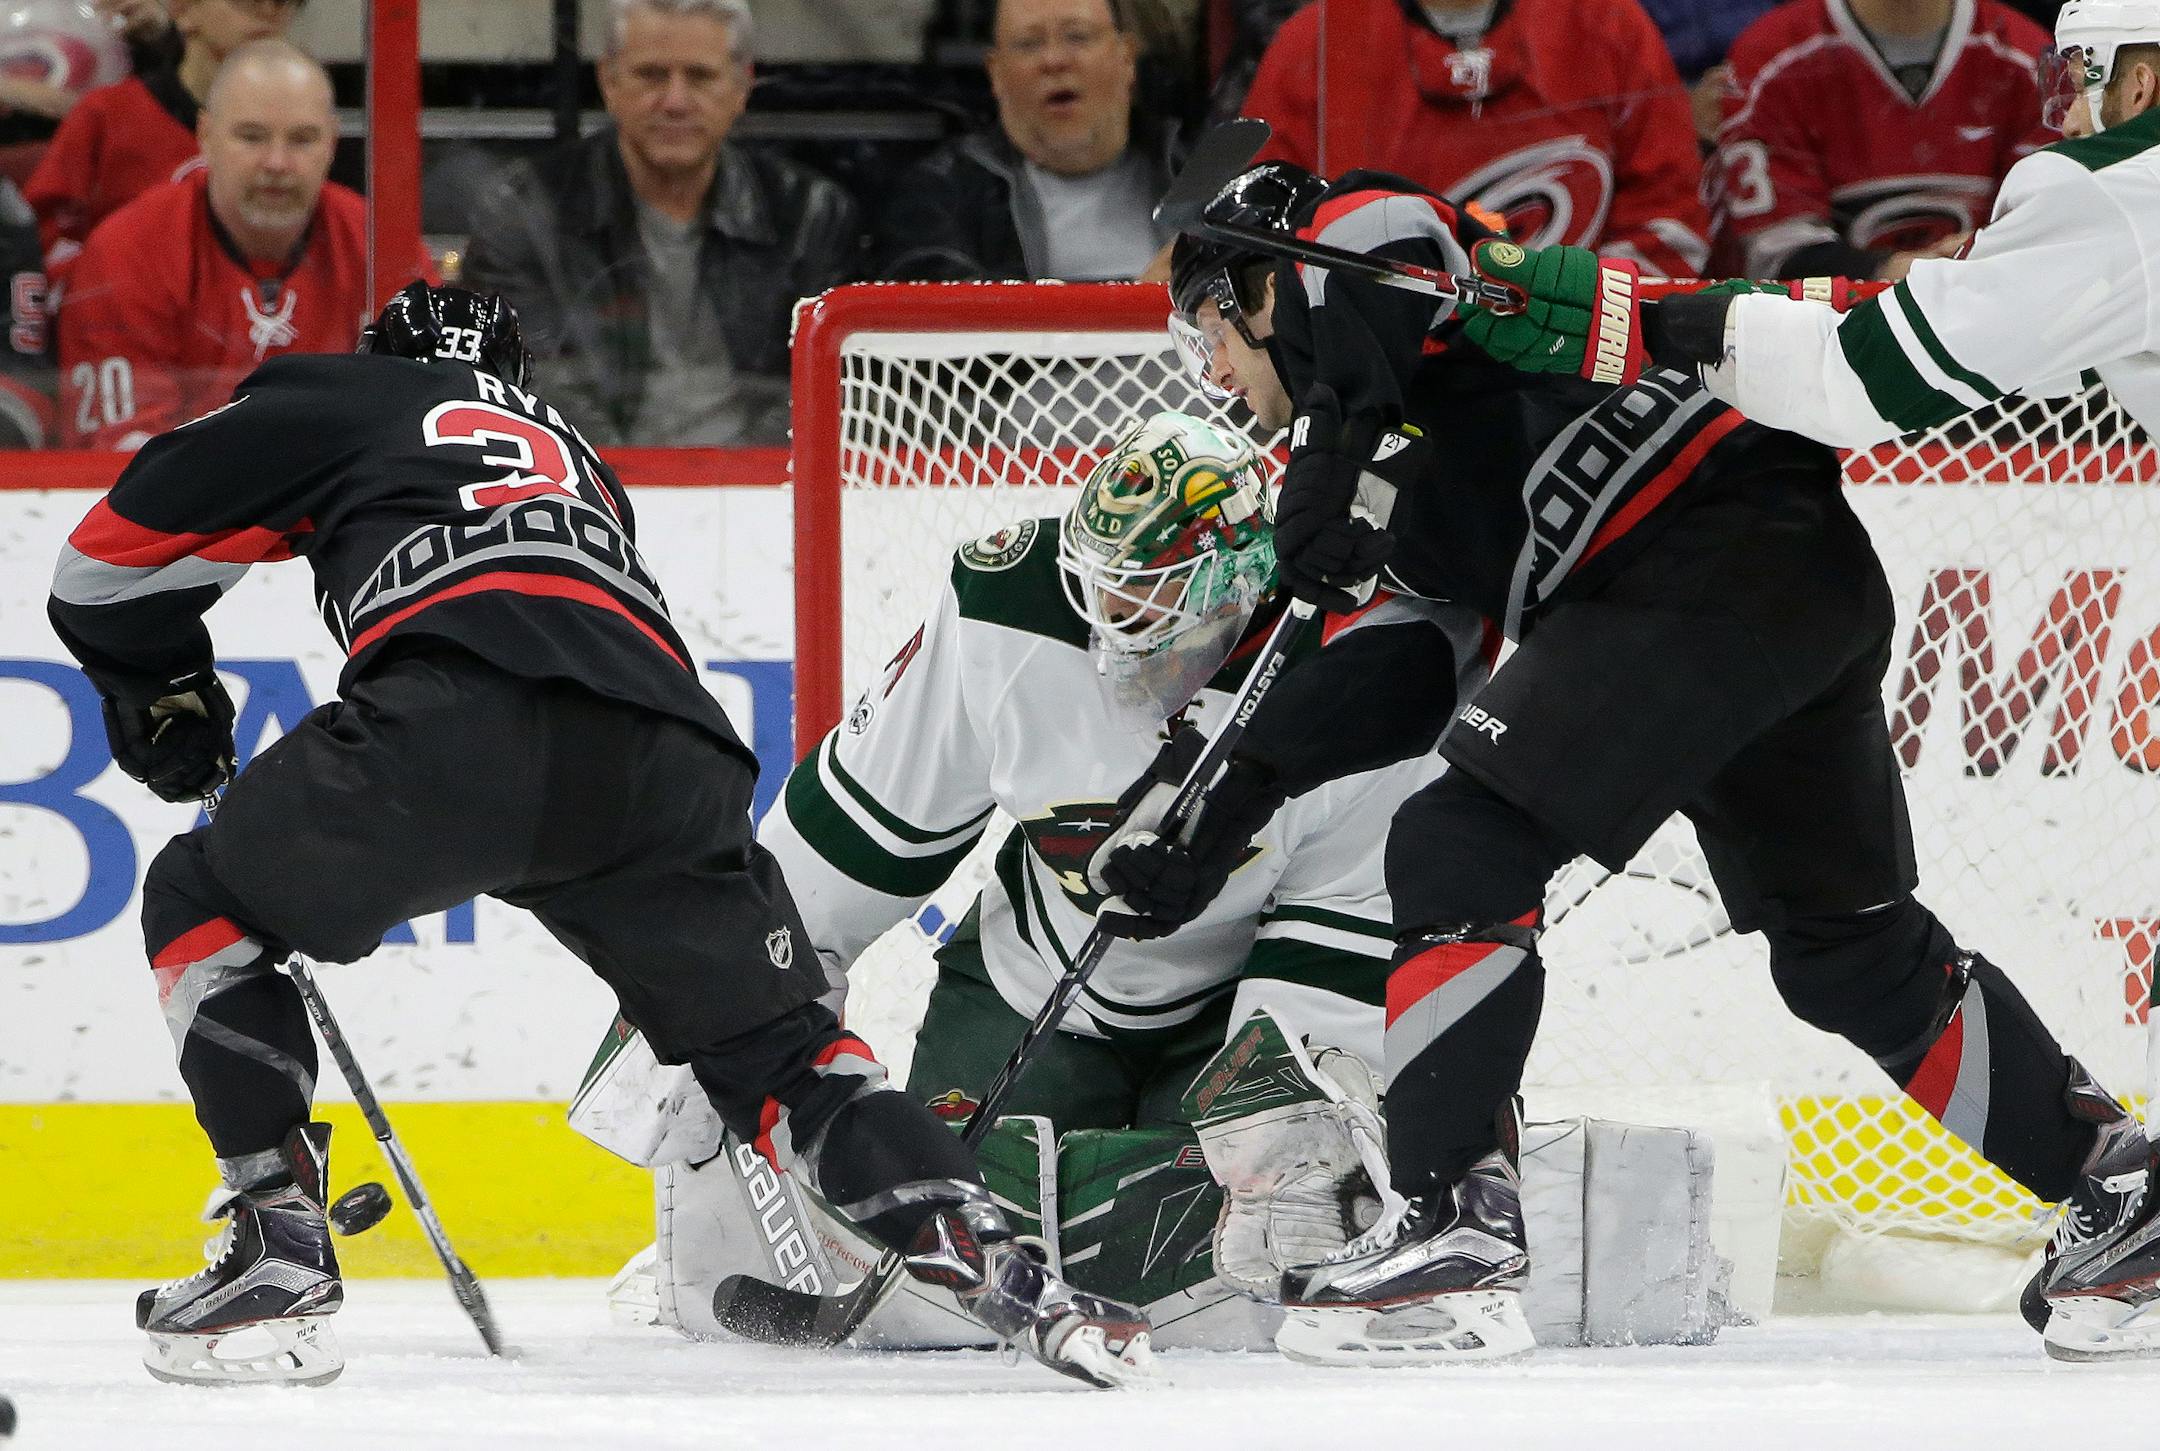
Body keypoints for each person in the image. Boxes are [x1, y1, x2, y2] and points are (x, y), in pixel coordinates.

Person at [1090, 153, 2157, 1365]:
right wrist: (1214, 816)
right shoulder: (1395, 467)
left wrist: (1327, 454)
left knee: (1458, 841)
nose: (1216, 371)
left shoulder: (1382, 254)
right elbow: (1399, 677)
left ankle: (1459, 1229)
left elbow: (1383, 249)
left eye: (1210, 331)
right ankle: (2122, 1182)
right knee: (1849, 949)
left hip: (1708, 556)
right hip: (1767, 589)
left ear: (1262, 289)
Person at [44, 280, 1155, 1391]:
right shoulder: (579, 460)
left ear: (383, 356)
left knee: (203, 898)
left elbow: (99, 568)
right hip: (668, 755)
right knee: (786, 1058)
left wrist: (166, 688)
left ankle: (275, 1243)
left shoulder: (342, 394)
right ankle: (1001, 1261)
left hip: (454, 722)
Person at [572, 411, 1499, 1344]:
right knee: (945, 1220)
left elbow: (1347, 913)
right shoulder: (1009, 609)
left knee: (1227, 1252)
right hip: (1024, 984)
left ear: (1234, 595)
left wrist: (1292, 1106)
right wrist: (729, 982)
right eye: (1103, 598)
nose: (1112, 643)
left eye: (1146, 612)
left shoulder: (1372, 678)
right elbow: (849, 840)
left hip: (1230, 1021)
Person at [459, 0, 859, 447]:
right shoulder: (525, 211)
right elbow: (522, 388)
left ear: (741, 87)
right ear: (608, 81)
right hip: (588, 488)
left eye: (701, 76)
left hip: (766, 490)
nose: (675, 102)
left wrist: (747, 489)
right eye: (651, 75)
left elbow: (832, 389)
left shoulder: (809, 214)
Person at [54, 39, 415, 450]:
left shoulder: (379, 246)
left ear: (332, 143)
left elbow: (428, 421)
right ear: (205, 134)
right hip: (185, 510)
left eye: (302, 139)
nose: (277, 162)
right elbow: (122, 450)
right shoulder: (128, 250)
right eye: (252, 136)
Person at [1237, 0, 1711, 277]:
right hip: (1397, 382)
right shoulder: (1313, 47)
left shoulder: (1608, 23)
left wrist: (1578, 315)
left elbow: (1669, 215)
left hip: (1584, 375)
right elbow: (1261, 244)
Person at [1709, 0, 2053, 280]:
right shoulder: (1771, 60)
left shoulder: (2029, 61)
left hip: (1988, 322)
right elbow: (1774, 255)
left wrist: (1991, 252)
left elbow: (2053, 232)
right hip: (1819, 333)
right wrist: (1894, 272)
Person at [872, 0, 1178, 282]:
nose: (1054, 60)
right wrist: (1136, 304)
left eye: (1077, 37)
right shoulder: (939, 193)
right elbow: (934, 319)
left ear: (1126, 57)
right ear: (996, 74)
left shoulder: (1190, 164)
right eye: (1028, 44)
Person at [25, 0, 305, 268]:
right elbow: (42, 243)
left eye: (284, 0)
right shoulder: (107, 115)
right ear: (182, 9)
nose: (269, 11)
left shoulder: (306, 131)